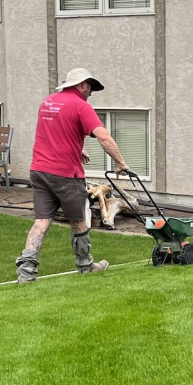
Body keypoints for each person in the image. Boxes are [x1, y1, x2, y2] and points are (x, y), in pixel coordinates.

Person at [17, 66, 129, 283]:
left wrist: (77, 148)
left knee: (41, 221)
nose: (91, 93)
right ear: (83, 85)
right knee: (78, 222)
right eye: (91, 88)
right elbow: (104, 137)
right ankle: (86, 266)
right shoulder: (81, 106)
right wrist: (121, 163)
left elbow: (54, 133)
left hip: (39, 170)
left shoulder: (47, 103)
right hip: (65, 175)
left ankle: (26, 272)